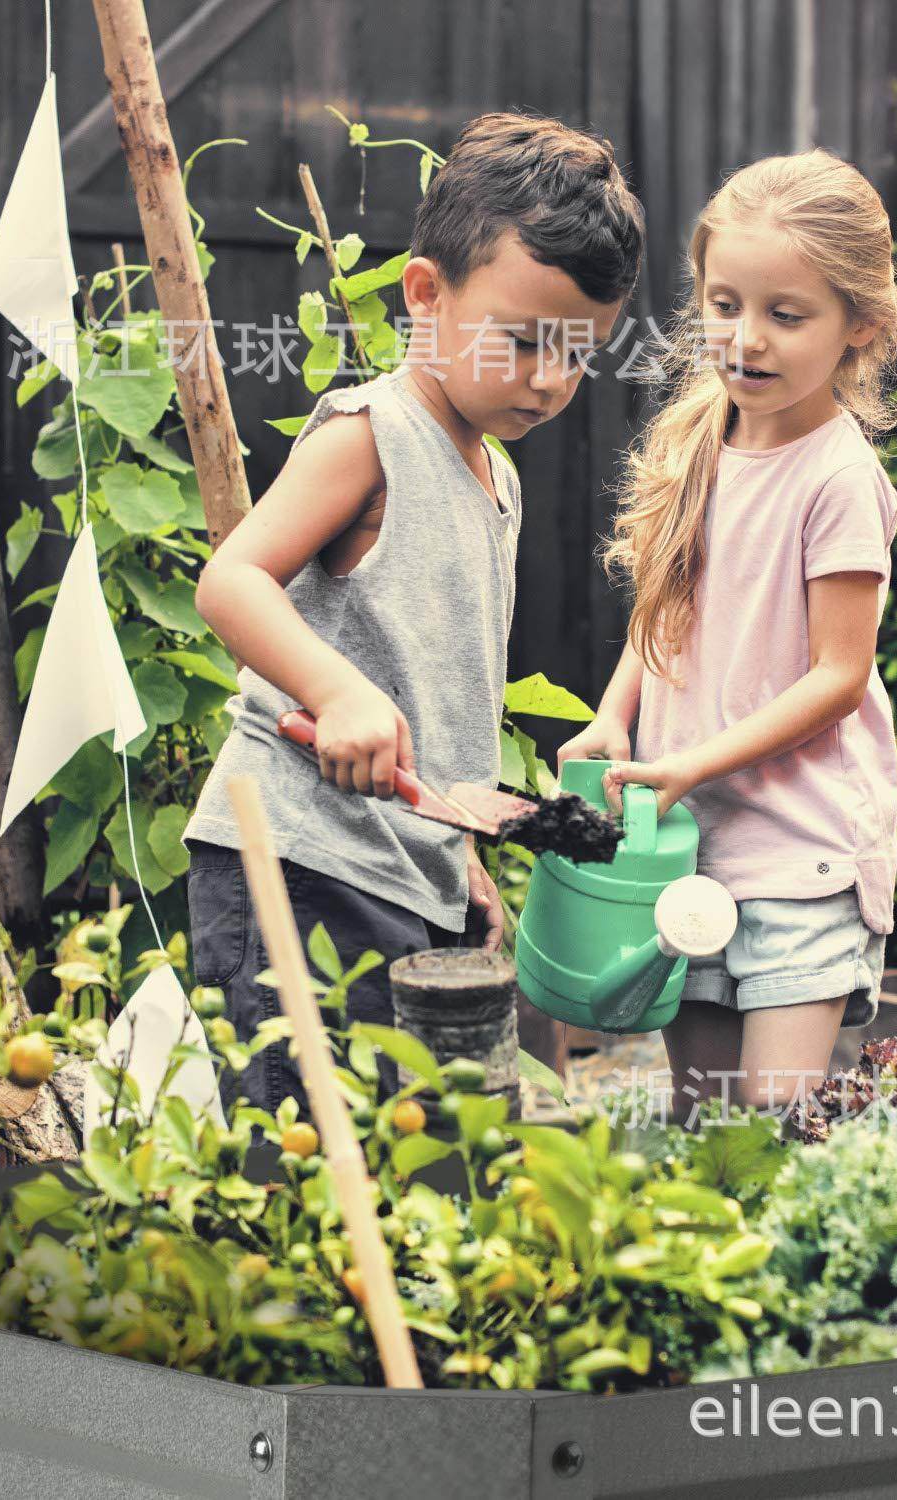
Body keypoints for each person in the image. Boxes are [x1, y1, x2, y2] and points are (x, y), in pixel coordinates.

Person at [184, 112, 645, 1113]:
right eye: (525, 342)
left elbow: (441, 688)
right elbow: (230, 582)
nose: (553, 380)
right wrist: (334, 688)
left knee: (411, 1163)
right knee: (298, 1159)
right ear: (427, 294)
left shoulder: (499, 482)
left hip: (408, 876)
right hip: (296, 861)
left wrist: (462, 853)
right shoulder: (372, 436)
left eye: (579, 353)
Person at [558, 149, 897, 1120]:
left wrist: (691, 762)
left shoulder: (837, 479)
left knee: (777, 1118)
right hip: (688, 842)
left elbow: (839, 676)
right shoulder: (702, 435)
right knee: (704, 1117)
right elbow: (666, 602)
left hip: (802, 854)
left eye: (785, 316)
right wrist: (614, 717)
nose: (745, 339)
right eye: (723, 304)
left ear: (860, 328)